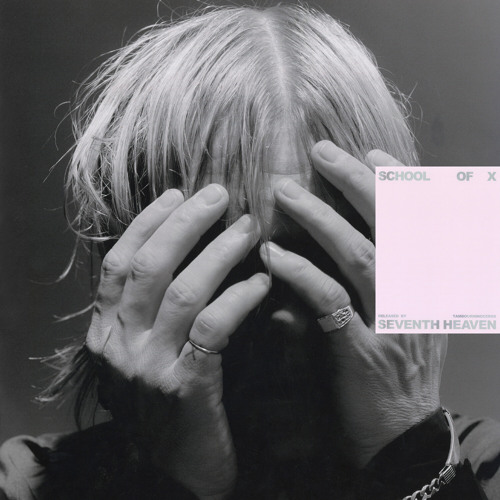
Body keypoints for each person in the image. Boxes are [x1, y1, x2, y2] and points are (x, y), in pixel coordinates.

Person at [1, 4, 499, 499]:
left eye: (324, 258)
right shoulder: (22, 482)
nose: (286, 322)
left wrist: (415, 454)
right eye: (224, 265)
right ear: (132, 268)